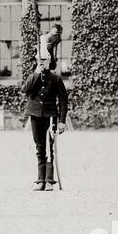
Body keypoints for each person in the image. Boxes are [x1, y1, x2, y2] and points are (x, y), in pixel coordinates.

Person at [21, 35, 66, 190]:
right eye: (39, 61)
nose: (42, 63)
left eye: (44, 61)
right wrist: (35, 74)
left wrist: (61, 121)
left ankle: (49, 180)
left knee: (49, 147)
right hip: (35, 115)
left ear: (49, 61)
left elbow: (63, 100)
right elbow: (25, 90)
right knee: (39, 147)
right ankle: (40, 179)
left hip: (50, 116)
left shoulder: (55, 79)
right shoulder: (33, 77)